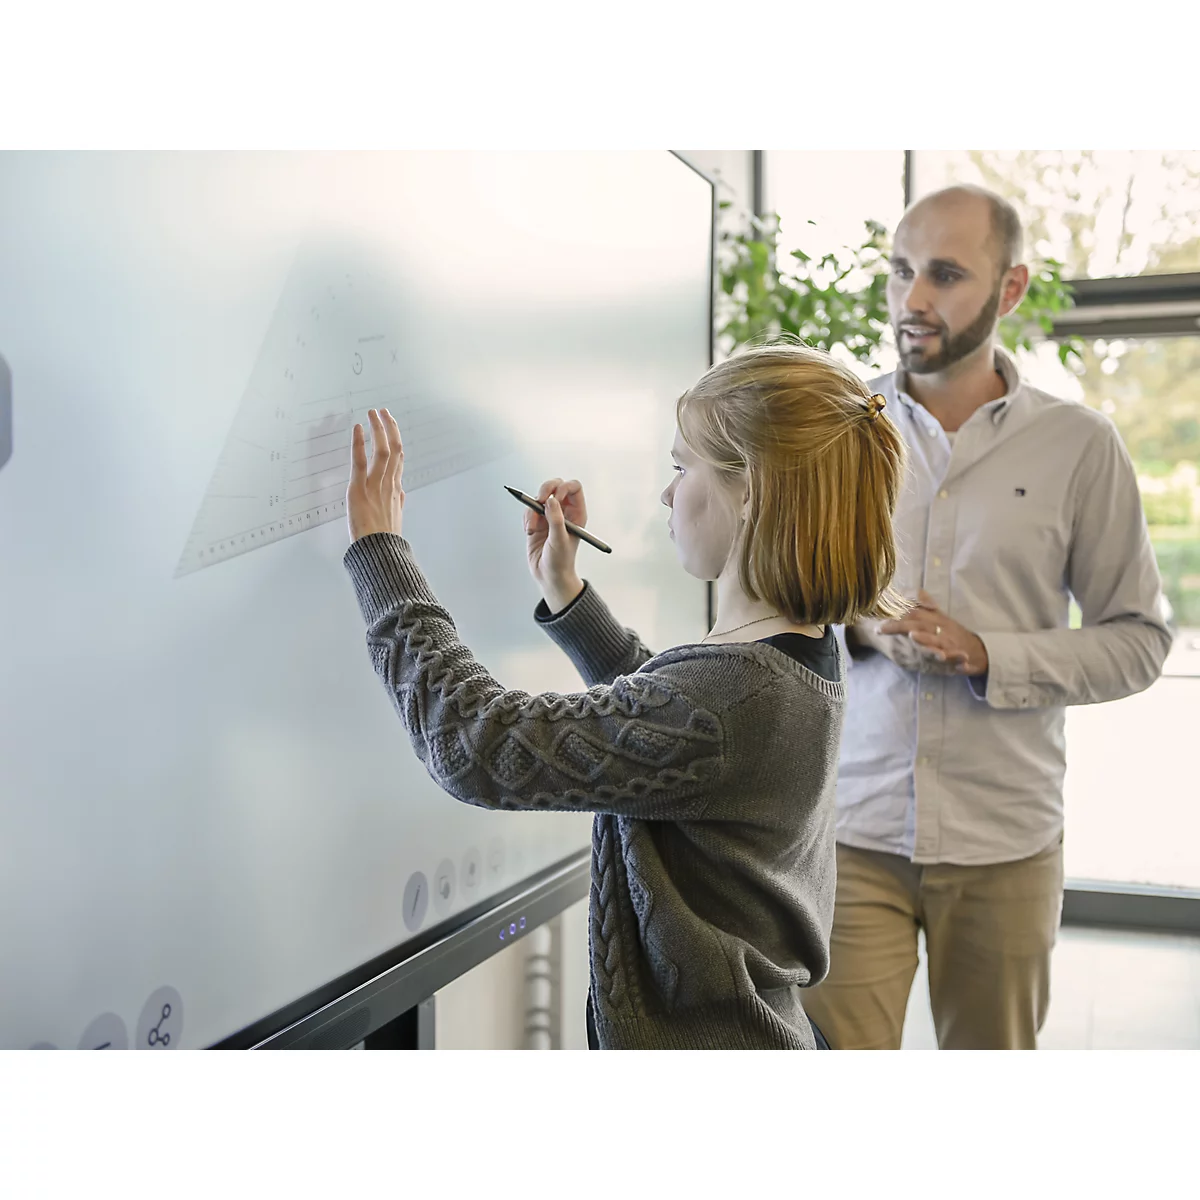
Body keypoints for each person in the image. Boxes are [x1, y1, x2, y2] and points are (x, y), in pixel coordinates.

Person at [340, 344, 907, 1050]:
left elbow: (476, 744)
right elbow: (670, 729)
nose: (668, 494)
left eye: (681, 467)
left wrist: (380, 551)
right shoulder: (793, 651)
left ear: (751, 490)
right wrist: (568, 595)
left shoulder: (735, 698)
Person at [801, 185, 1173, 1051]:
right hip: (849, 829)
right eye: (899, 271)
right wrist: (862, 626)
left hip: (1005, 839)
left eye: (945, 274)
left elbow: (1139, 641)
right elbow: (773, 601)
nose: (913, 300)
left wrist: (986, 653)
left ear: (1010, 289)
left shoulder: (1082, 447)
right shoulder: (834, 429)